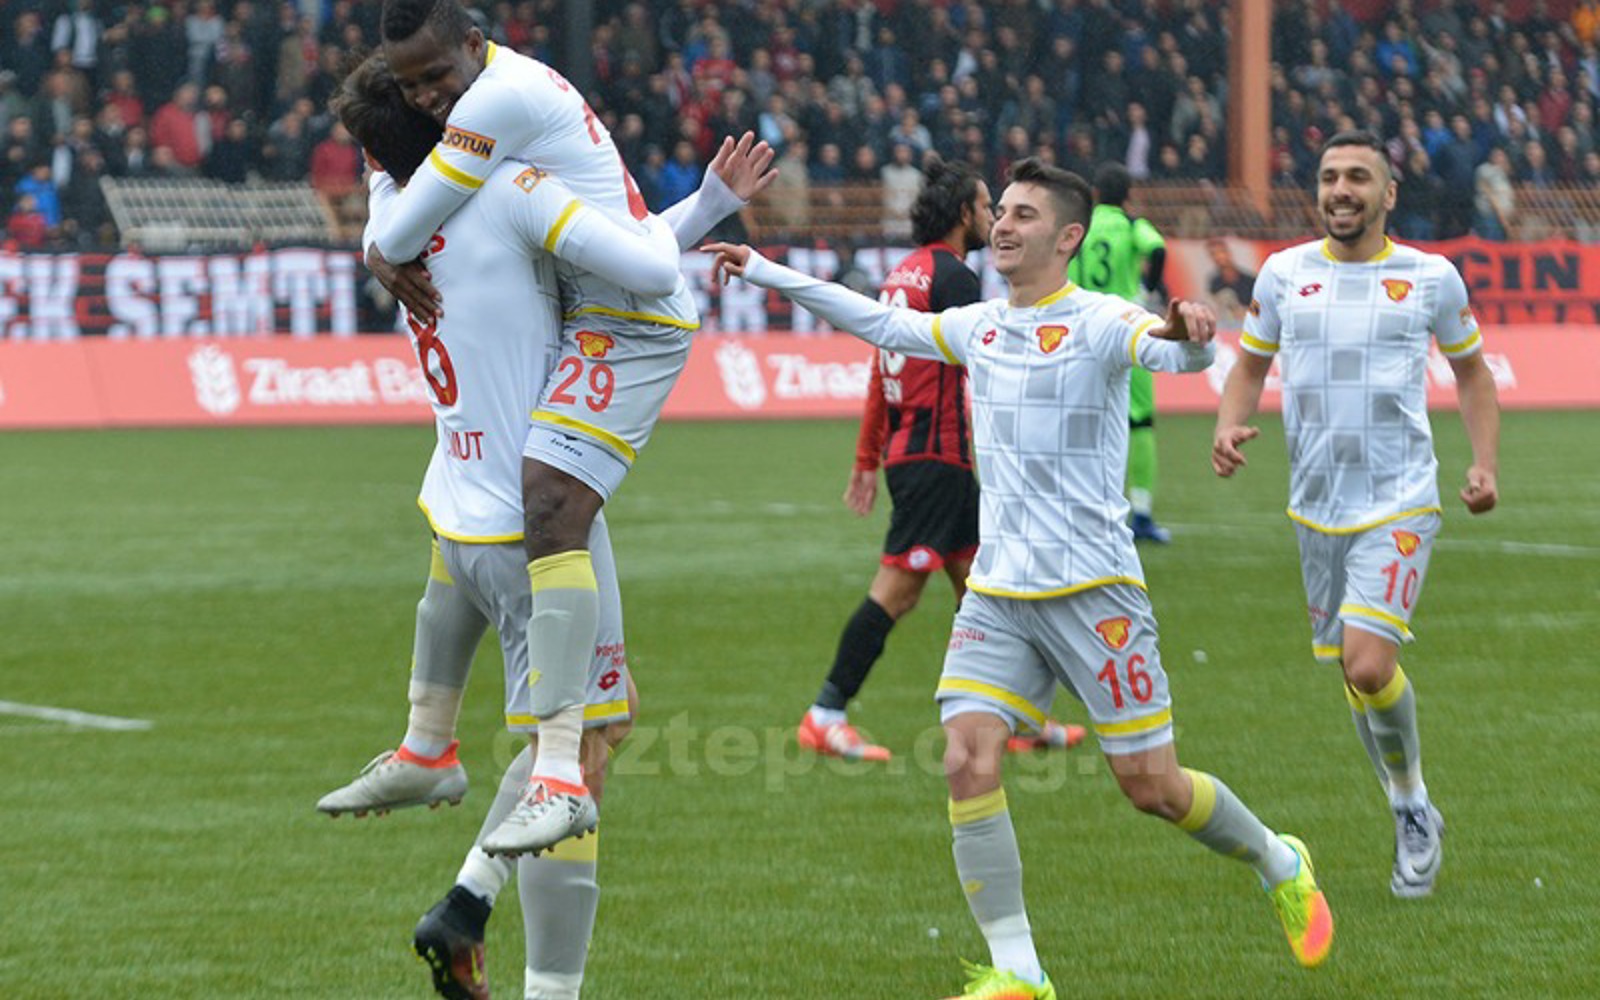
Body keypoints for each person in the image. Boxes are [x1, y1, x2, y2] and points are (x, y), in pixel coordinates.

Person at [706, 158, 1333, 997]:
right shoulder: (980, 325)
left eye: (1023, 215)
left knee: (1152, 787)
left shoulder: (1100, 320)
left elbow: (1173, 353)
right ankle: (1019, 972)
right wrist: (764, 267)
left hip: (1095, 594)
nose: (1001, 224)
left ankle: (1279, 860)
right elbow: (879, 323)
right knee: (966, 758)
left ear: (1068, 237)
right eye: (1000, 211)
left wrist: (1190, 330)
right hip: (999, 596)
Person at [365, 0, 771, 858]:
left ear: (474, 45)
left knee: (544, 502)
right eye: (412, 89)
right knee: (529, 531)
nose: (431, 97)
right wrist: (707, 205)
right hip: (598, 315)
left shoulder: (495, 126)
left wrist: (376, 242)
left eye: (435, 76)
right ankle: (450, 784)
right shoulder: (497, 162)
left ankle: (529, 771)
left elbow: (648, 272)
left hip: (631, 331)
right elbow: (633, 247)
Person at [1212, 130, 1500, 899]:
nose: (1342, 190)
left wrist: (1483, 463)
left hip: (1401, 498)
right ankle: (1411, 805)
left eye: (1359, 178)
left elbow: (1473, 373)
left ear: (1388, 194)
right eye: (1330, 176)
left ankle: (1410, 808)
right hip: (1316, 508)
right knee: (1353, 670)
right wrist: (1228, 424)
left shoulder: (1430, 277)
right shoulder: (1284, 274)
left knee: (1369, 663)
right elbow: (1249, 365)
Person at [799, 155, 1083, 761]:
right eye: (986, 208)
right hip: (937, 456)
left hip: (915, 450)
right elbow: (990, 365)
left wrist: (867, 456)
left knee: (982, 585)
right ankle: (825, 713)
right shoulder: (954, 277)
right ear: (962, 214)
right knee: (899, 591)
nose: (994, 220)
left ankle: (1014, 717)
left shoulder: (904, 273)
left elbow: (881, 370)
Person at [1067, 162, 1171, 542]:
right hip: (1127, 328)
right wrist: (1146, 291)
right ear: (1128, 196)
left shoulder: (1080, 227)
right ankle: (1140, 514)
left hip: (1085, 329)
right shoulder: (1130, 225)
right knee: (1139, 422)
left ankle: (1084, 511)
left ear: (1094, 195)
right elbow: (1157, 249)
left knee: (1083, 422)